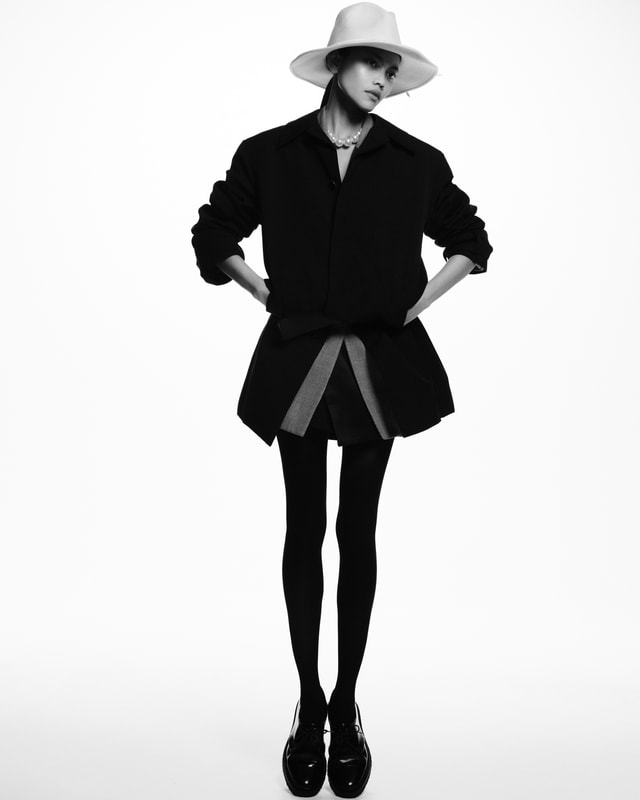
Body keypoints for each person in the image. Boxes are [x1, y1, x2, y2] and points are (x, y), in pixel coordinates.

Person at [190, 3, 493, 796]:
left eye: (392, 70)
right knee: (304, 528)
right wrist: (265, 292)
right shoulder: (269, 153)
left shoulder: (417, 162)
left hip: (377, 366)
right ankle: (308, 704)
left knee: (357, 533)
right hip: (298, 361)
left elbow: (470, 241)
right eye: (372, 64)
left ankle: (348, 706)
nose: (384, 81)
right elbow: (213, 234)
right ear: (335, 65)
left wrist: (414, 306)